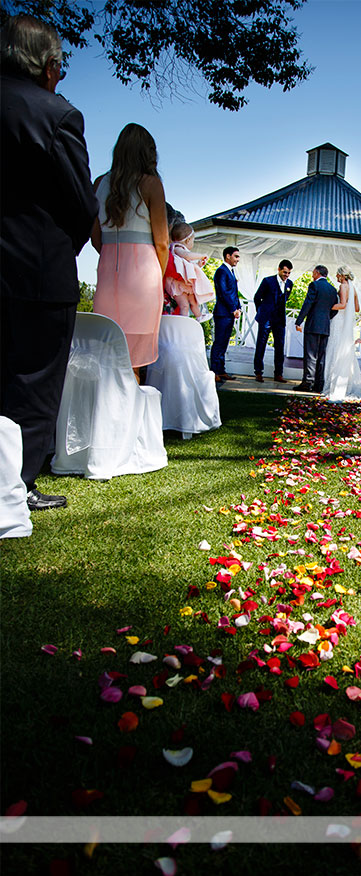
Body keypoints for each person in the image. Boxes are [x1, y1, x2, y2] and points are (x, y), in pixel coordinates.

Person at [0, 14, 98, 511]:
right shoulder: (56, 114)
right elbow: (80, 201)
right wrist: (70, 243)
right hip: (37, 268)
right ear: (49, 65)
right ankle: (16, 482)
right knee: (34, 381)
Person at [92, 124, 168, 382]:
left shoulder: (100, 183)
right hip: (143, 276)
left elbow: (95, 238)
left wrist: (114, 256)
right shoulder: (151, 184)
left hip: (108, 273)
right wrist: (158, 275)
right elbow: (162, 243)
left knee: (107, 356)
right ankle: (129, 417)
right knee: (133, 361)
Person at [322, 266, 361, 402]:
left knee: (334, 348)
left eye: (338, 274)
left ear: (342, 275)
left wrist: (326, 306)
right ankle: (344, 381)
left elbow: (343, 304)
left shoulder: (344, 286)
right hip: (346, 322)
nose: (336, 276)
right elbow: (356, 308)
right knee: (342, 350)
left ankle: (332, 383)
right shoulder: (353, 288)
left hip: (338, 320)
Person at [294, 265, 338, 392]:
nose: (312, 275)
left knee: (310, 355)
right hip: (325, 326)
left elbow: (308, 303)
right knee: (321, 356)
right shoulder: (332, 289)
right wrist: (326, 318)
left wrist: (299, 321)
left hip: (313, 324)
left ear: (317, 273)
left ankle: (307, 383)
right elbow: (334, 308)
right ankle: (319, 384)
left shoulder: (314, 286)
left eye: (313, 273)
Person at [253, 260, 293, 383]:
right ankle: (258, 372)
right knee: (261, 344)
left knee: (280, 346)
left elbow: (285, 299)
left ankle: (278, 374)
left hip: (279, 320)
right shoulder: (267, 281)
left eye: (289, 273)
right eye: (285, 272)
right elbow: (257, 297)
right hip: (266, 318)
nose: (286, 275)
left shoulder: (290, 284)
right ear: (279, 269)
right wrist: (262, 312)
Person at [164, 222, 214, 322]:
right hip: (177, 284)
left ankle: (199, 316)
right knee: (184, 305)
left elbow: (188, 266)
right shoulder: (177, 248)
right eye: (193, 240)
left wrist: (199, 264)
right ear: (187, 240)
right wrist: (201, 255)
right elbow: (187, 255)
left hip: (184, 283)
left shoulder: (181, 251)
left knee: (193, 301)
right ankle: (184, 322)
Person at [210, 246, 241, 383]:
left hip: (229, 313)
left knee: (224, 343)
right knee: (218, 342)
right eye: (236, 256)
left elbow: (234, 292)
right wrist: (233, 308)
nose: (238, 259)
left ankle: (221, 371)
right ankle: (214, 372)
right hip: (223, 313)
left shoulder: (231, 272)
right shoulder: (221, 271)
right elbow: (223, 292)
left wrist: (238, 307)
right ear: (227, 256)